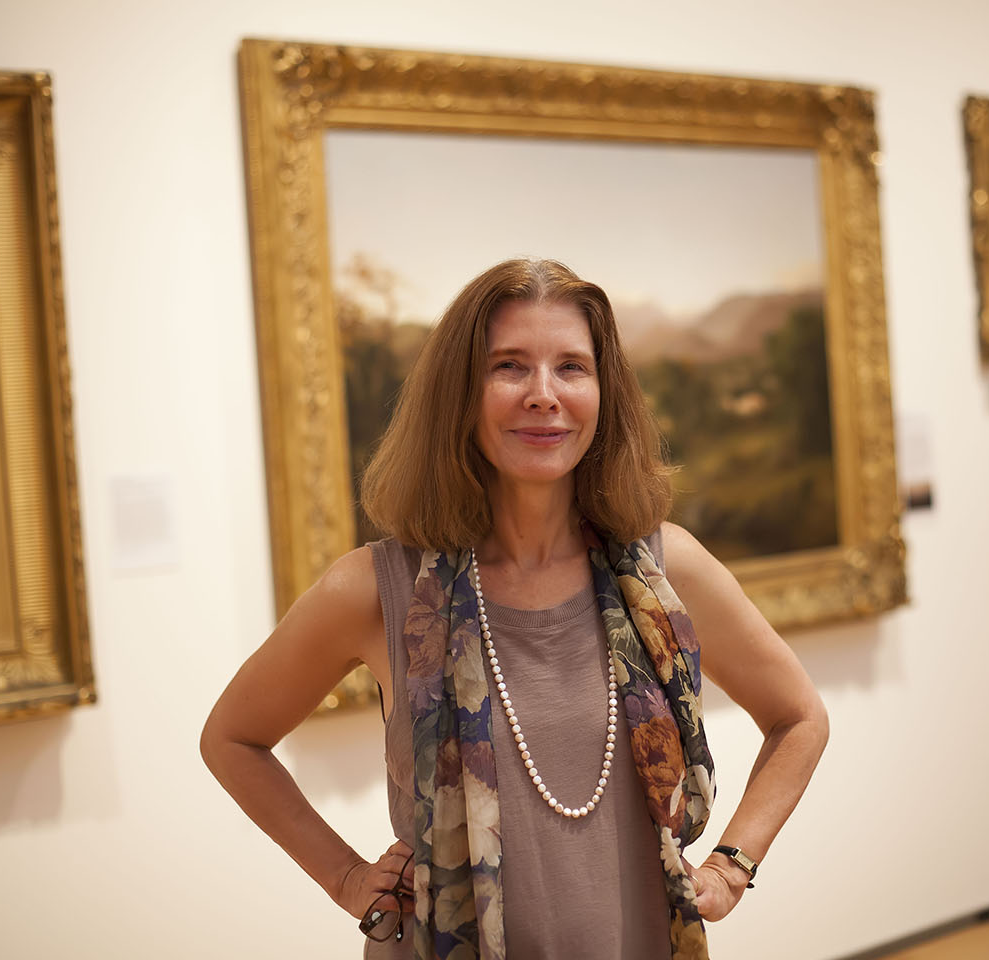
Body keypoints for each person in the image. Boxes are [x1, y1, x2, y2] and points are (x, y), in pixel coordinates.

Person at [201, 258, 829, 959]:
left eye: (571, 368)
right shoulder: (375, 589)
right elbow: (232, 738)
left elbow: (799, 717)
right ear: (459, 394)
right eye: (509, 367)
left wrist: (732, 865)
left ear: (603, 392)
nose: (543, 395)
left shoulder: (665, 569)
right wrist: (345, 877)